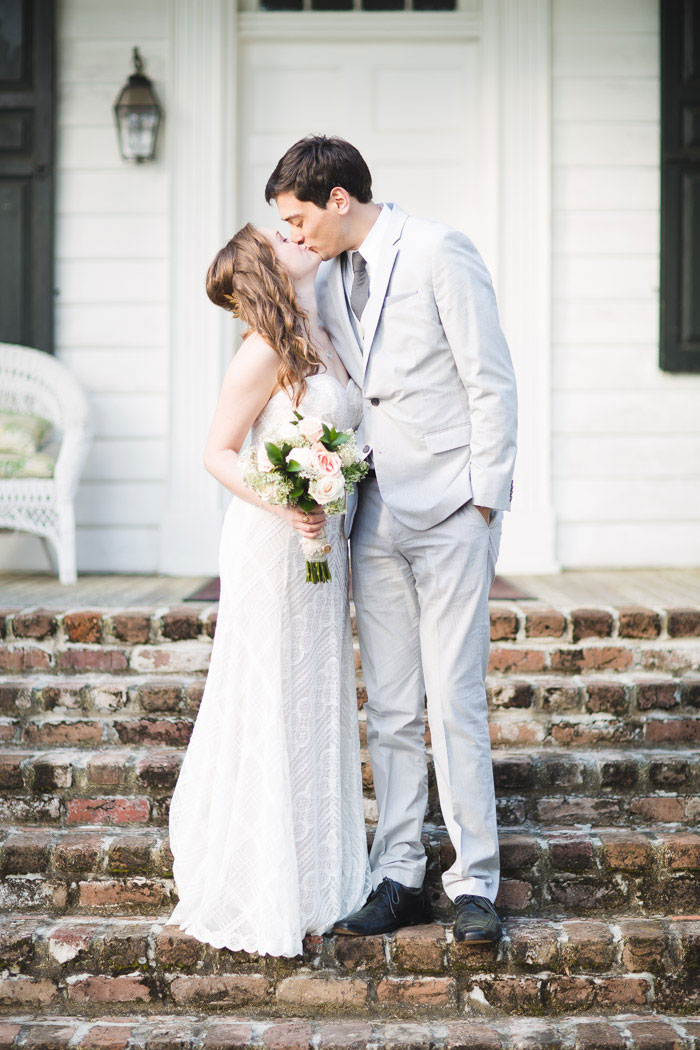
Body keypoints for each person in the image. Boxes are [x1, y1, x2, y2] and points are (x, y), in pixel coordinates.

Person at [265, 135, 518, 944]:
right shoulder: (331, 275)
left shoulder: (441, 251)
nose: (294, 234)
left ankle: (475, 882)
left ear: (339, 198)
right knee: (394, 709)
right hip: (372, 519)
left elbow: (490, 379)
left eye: (299, 217)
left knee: (456, 701)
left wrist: (486, 503)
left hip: (451, 512)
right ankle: (399, 874)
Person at [167, 222, 370, 958]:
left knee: (315, 698)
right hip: (272, 539)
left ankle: (319, 875)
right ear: (266, 268)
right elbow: (218, 452)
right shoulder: (263, 352)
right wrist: (283, 498)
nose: (300, 236)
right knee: (275, 696)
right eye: (282, 237)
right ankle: (264, 878)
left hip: (325, 543)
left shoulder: (334, 334)